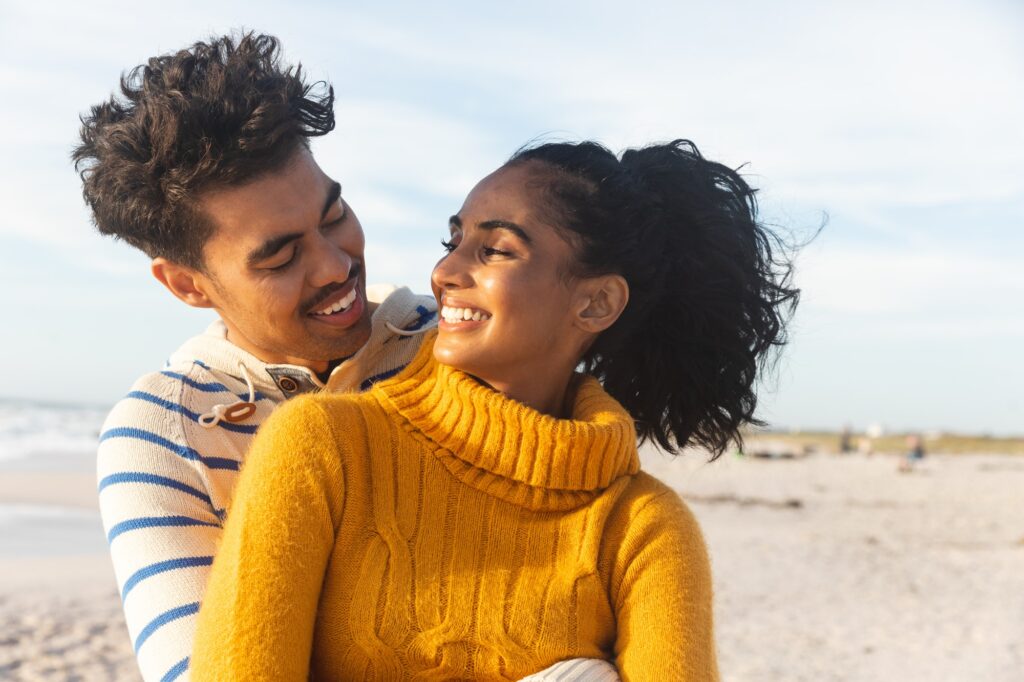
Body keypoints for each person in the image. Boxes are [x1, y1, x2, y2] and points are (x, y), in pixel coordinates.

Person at [75, 32, 609, 682]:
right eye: (279, 256)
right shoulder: (163, 434)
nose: (336, 266)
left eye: (334, 217)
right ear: (187, 284)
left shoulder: (450, 344)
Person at [191, 139, 799, 680]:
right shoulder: (323, 445)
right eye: (453, 241)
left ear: (596, 304)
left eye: (496, 251)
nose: (446, 271)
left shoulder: (643, 528)